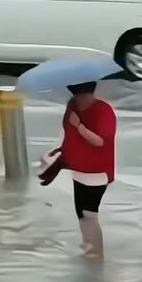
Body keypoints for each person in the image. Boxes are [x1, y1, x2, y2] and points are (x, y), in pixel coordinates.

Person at [58, 81, 117, 258]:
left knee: (89, 214)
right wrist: (62, 154)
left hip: (96, 173)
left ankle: (95, 254)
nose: (79, 101)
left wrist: (79, 126)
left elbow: (100, 141)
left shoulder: (103, 110)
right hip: (78, 169)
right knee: (82, 214)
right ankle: (89, 248)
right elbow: (68, 134)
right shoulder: (72, 106)